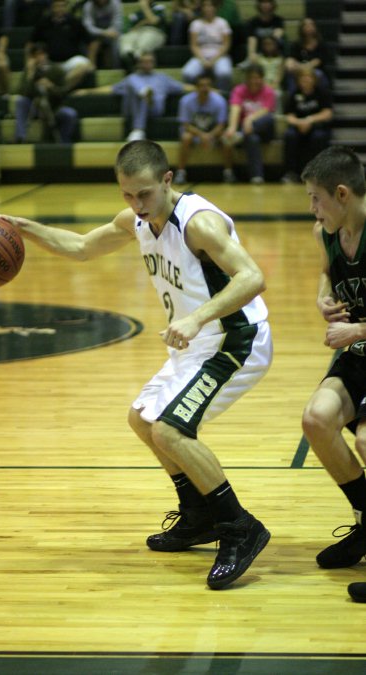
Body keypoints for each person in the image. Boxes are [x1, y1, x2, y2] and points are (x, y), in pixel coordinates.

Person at [0, 139, 272, 590]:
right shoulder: (136, 219)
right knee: (142, 419)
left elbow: (253, 277)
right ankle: (198, 516)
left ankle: (239, 526)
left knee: (170, 429)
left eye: (144, 194)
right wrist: (18, 224)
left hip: (236, 338)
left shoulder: (200, 223)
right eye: (127, 195)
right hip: (197, 343)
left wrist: (195, 317)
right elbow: (79, 247)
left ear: (167, 180)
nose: (136, 205)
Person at [300, 145, 366, 600]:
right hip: (359, 352)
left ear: (341, 193)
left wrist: (357, 328)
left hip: (359, 338)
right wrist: (325, 297)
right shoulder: (329, 232)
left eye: (316, 198)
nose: (312, 208)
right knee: (316, 420)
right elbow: (327, 271)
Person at [74, 51, 192, 141]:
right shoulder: (132, 78)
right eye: (144, 61)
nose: (147, 64)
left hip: (154, 108)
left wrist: (207, 89)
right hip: (133, 109)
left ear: (154, 63)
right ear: (139, 63)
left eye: (150, 61)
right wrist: (87, 92)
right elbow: (111, 89)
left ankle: (139, 126)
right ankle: (144, 94)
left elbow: (183, 87)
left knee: (137, 87)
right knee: (133, 82)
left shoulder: (162, 78)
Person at [221, 62, 275, 184]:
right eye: (251, 78)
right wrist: (232, 128)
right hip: (249, 131)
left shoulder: (268, 91)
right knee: (252, 138)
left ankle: (240, 135)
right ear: (246, 79)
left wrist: (249, 119)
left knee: (269, 119)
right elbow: (235, 108)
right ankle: (257, 176)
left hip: (264, 129)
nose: (254, 81)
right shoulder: (239, 90)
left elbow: (266, 110)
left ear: (262, 78)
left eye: (257, 78)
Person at [14, 42, 78, 143]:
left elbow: (63, 93)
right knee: (21, 101)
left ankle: (64, 143)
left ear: (46, 54)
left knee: (70, 114)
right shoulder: (29, 71)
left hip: (54, 107)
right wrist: (30, 75)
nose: (39, 57)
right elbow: (22, 92)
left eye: (41, 54)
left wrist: (51, 87)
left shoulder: (57, 70)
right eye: (36, 55)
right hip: (34, 108)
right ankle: (20, 136)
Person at [281, 67, 333, 184]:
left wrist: (310, 120)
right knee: (289, 136)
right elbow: (289, 116)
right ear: (299, 80)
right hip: (299, 127)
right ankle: (291, 173)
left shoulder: (321, 92)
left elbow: (327, 113)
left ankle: (318, 173)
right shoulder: (294, 93)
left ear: (313, 79)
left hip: (317, 127)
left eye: (308, 78)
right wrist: (299, 122)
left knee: (318, 137)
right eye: (303, 79)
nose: (306, 81)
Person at [28, 0, 94, 91]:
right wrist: (30, 59)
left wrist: (91, 60)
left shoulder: (74, 22)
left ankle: (61, 89)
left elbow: (90, 42)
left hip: (70, 62)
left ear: (66, 7)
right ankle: (57, 89)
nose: (59, 9)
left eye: (62, 6)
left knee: (84, 65)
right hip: (50, 62)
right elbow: (31, 42)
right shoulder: (43, 22)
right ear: (52, 7)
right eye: (57, 6)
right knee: (33, 66)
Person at [175, 72, 227, 184]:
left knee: (226, 138)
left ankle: (229, 172)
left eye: (208, 85)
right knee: (185, 137)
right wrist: (202, 135)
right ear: (196, 88)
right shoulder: (185, 101)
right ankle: (181, 172)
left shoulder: (219, 101)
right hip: (195, 134)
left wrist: (209, 136)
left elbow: (221, 125)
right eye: (202, 85)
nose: (205, 88)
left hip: (213, 133)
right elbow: (185, 125)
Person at [182, 0, 233, 96]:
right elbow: (194, 45)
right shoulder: (195, 24)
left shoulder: (223, 23)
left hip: (219, 55)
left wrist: (213, 60)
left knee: (224, 73)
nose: (208, 8)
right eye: (205, 6)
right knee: (188, 73)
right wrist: (203, 60)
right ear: (201, 8)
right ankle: (194, 96)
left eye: (210, 6)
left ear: (215, 8)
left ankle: (222, 96)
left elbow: (226, 45)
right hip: (200, 55)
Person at [118, 0, 168, 72]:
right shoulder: (135, 14)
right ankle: (129, 57)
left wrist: (144, 6)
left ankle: (136, 61)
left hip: (154, 32)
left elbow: (154, 21)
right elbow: (131, 30)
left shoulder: (158, 8)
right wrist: (144, 22)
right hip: (137, 32)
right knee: (125, 40)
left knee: (144, 41)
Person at [284, 17, 330, 94]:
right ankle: (293, 97)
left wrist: (302, 67)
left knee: (317, 74)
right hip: (299, 71)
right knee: (291, 74)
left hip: (315, 71)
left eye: (311, 25)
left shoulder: (321, 44)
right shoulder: (296, 44)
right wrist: (290, 64)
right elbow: (290, 60)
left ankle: (318, 98)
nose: (308, 27)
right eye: (306, 25)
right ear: (301, 28)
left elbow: (316, 62)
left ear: (315, 27)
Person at [81, 0, 122, 69]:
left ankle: (115, 68)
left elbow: (117, 22)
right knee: (93, 42)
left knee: (116, 42)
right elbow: (88, 26)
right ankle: (91, 67)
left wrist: (110, 32)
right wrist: (103, 32)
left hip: (111, 33)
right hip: (95, 35)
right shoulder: (88, 6)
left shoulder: (115, 3)